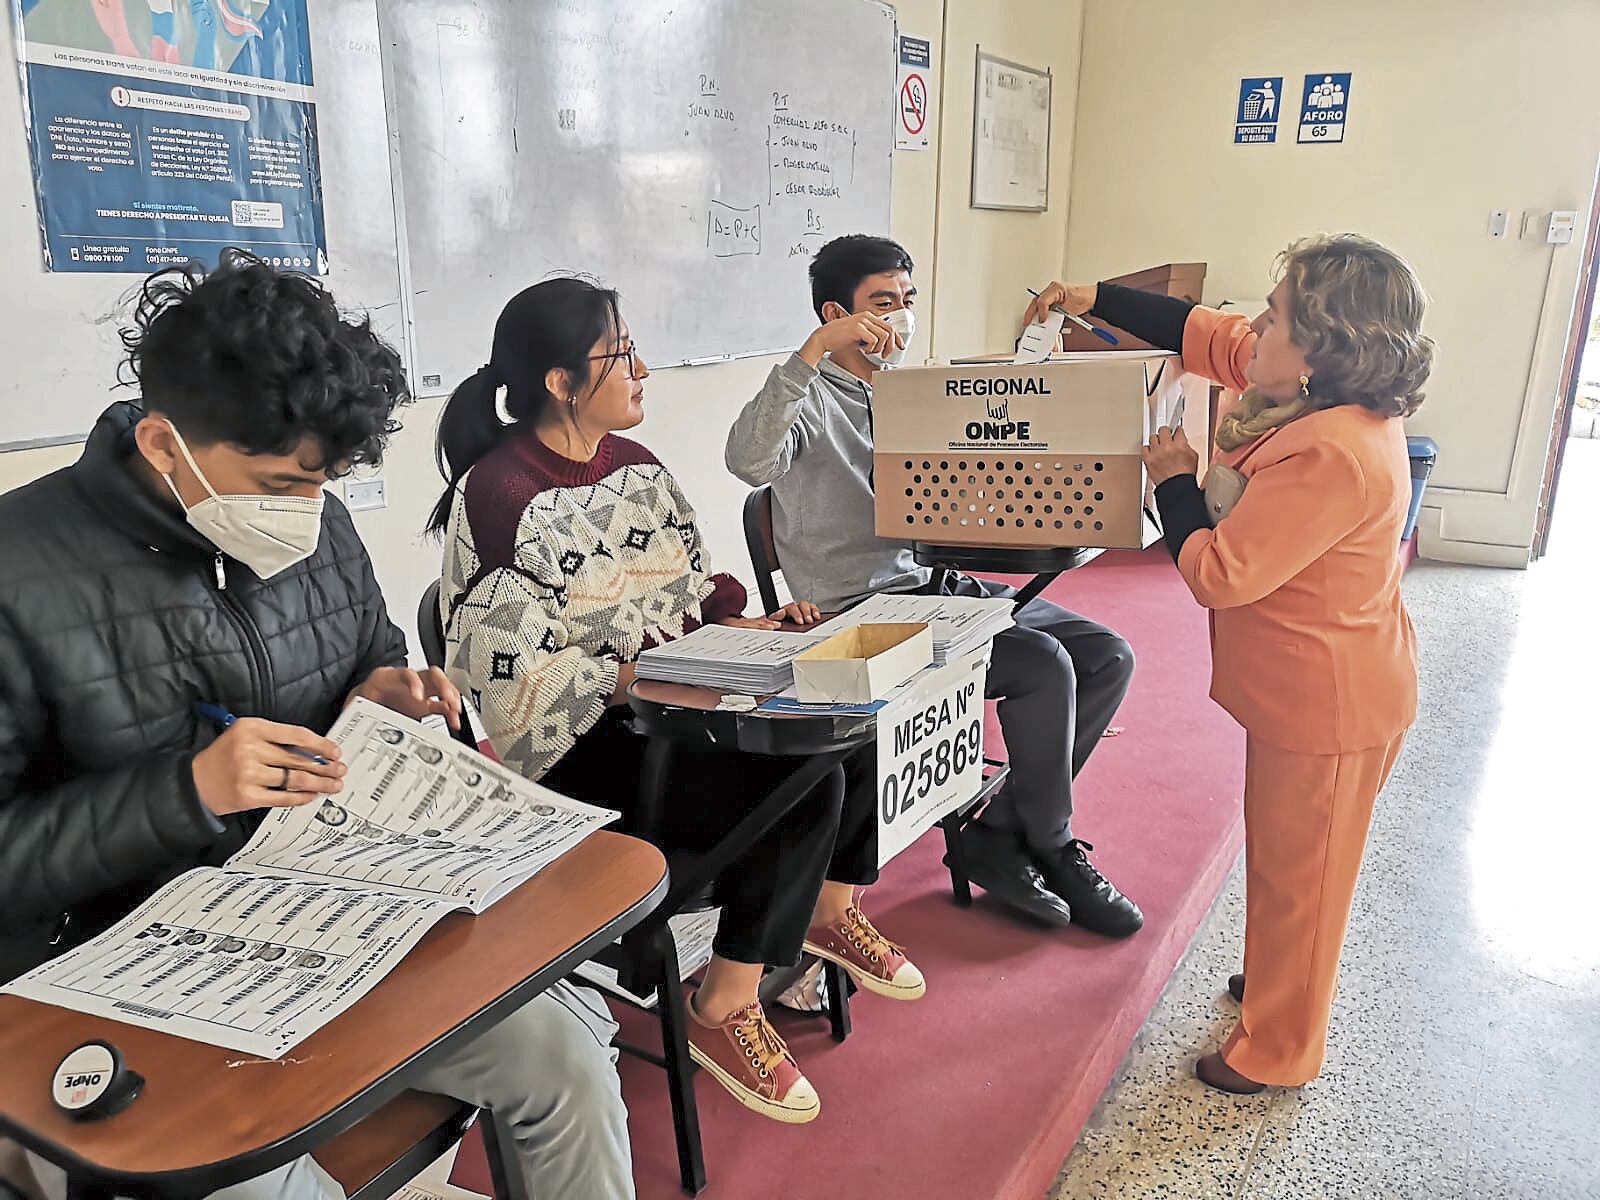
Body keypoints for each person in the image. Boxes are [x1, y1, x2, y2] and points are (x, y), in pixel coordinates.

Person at [0, 252, 635, 1199]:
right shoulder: (21, 571)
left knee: (572, 1069)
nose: (306, 513)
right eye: (278, 485)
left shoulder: (318, 525)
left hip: (334, 914)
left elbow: (370, 660)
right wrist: (189, 792)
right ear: (167, 445)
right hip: (120, 971)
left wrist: (391, 696)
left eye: (323, 482)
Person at [429, 277, 924, 1126]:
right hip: (587, 753)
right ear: (559, 380)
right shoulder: (501, 495)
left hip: (678, 708)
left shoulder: (637, 469)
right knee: (799, 781)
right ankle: (720, 1008)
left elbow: (690, 591)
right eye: (622, 354)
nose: (643, 368)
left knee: (857, 724)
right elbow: (514, 683)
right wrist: (638, 677)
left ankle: (828, 912)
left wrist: (749, 624)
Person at [1029, 233, 1430, 1094]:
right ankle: (1279, 978)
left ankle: (1280, 1047)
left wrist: (1173, 478)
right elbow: (1201, 331)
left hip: (1331, 702)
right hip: (1311, 687)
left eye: (1278, 315)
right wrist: (1089, 292)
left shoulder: (1333, 451)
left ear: (1326, 349)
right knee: (1288, 861)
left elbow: (1218, 573)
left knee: (1307, 878)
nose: (1257, 325)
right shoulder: (1304, 393)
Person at [725, 234, 1144, 938]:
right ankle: (1054, 845)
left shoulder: (911, 393)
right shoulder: (810, 399)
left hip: (937, 585)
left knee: (1107, 654)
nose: (901, 317)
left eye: (909, 301)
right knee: (1044, 667)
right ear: (837, 313)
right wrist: (811, 352)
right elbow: (748, 459)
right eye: (883, 303)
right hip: (859, 613)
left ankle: (1003, 833)